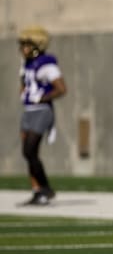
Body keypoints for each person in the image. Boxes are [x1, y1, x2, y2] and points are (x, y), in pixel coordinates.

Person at [18, 26, 67, 206]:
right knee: (29, 154)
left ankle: (45, 188)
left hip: (42, 111)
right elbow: (24, 84)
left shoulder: (46, 64)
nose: (23, 48)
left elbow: (61, 88)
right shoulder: (26, 64)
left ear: (37, 45)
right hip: (28, 111)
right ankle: (38, 191)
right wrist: (24, 94)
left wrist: (42, 97)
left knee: (29, 150)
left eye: (27, 44)